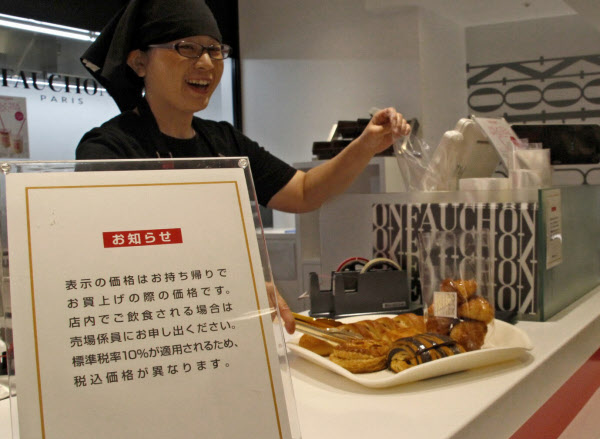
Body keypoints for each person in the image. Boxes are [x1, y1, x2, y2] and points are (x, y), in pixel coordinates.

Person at [76, 0, 411, 333]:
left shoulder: (223, 141)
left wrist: (366, 145)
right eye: (187, 48)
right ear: (139, 62)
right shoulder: (108, 149)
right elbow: (115, 256)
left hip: (225, 325)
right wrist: (232, 286)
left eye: (214, 49)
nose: (206, 62)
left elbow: (304, 192)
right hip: (151, 327)